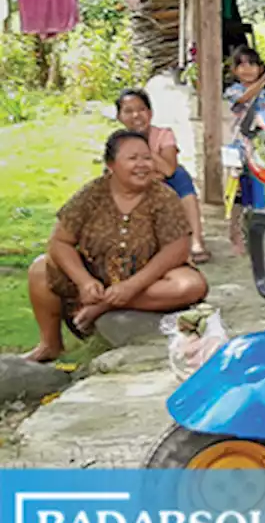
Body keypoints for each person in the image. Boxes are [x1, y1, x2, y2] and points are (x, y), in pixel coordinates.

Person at [25, 130, 210, 362]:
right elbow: (59, 242)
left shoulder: (164, 197)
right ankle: (49, 345)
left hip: (148, 281)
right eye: (133, 159)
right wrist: (84, 281)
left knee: (191, 285)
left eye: (146, 158)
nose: (142, 165)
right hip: (97, 278)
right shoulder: (92, 194)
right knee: (40, 269)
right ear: (111, 164)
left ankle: (104, 307)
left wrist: (130, 287)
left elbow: (178, 248)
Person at [115, 88, 211, 263]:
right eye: (128, 111)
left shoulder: (164, 135)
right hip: (136, 184)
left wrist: (142, 147)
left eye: (141, 109)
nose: (136, 115)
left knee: (181, 177)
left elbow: (168, 169)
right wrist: (149, 175)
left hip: (166, 181)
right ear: (119, 117)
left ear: (150, 113)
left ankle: (196, 240)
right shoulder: (118, 142)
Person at [225, 46, 265, 117]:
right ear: (234, 70)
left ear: (260, 69)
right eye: (243, 65)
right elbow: (241, 101)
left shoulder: (264, 92)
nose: (248, 69)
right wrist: (263, 80)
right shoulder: (232, 90)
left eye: (252, 65)